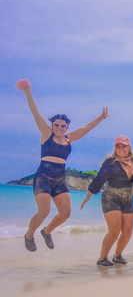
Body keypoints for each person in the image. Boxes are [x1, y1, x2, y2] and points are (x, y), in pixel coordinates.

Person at [16, 79, 108, 252]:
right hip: (43, 178)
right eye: (56, 125)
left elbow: (87, 127)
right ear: (53, 125)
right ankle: (29, 234)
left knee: (66, 213)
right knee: (44, 211)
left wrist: (101, 118)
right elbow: (35, 113)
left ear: (66, 127)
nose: (59, 127)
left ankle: (47, 231)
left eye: (62, 126)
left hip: (59, 179)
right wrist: (27, 93)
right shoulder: (46, 133)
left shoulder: (69, 138)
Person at [80, 136, 133, 266]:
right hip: (111, 198)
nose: (121, 148)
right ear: (115, 148)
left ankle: (117, 256)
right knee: (114, 231)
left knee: (128, 231)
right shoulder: (110, 162)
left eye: (123, 146)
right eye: (118, 146)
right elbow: (100, 178)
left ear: (129, 147)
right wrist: (89, 195)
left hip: (128, 198)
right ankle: (102, 258)